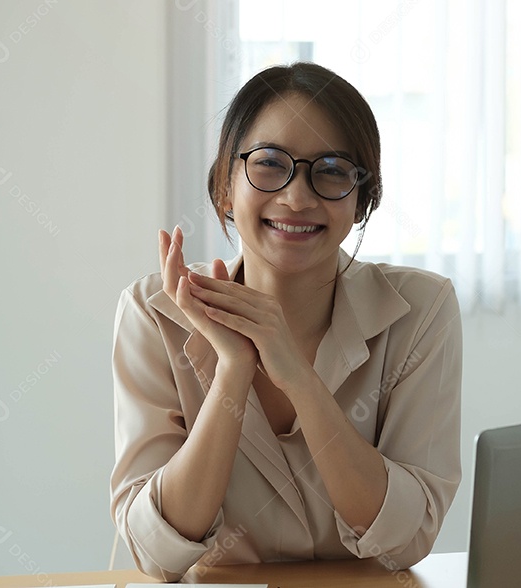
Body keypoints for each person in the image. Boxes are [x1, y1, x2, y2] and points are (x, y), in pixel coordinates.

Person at [109, 62, 462, 582]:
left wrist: (298, 376)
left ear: (362, 200)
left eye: (333, 170)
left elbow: (405, 540)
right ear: (226, 186)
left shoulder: (420, 308)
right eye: (270, 164)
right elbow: (157, 551)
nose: (298, 197)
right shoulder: (155, 312)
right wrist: (233, 367)